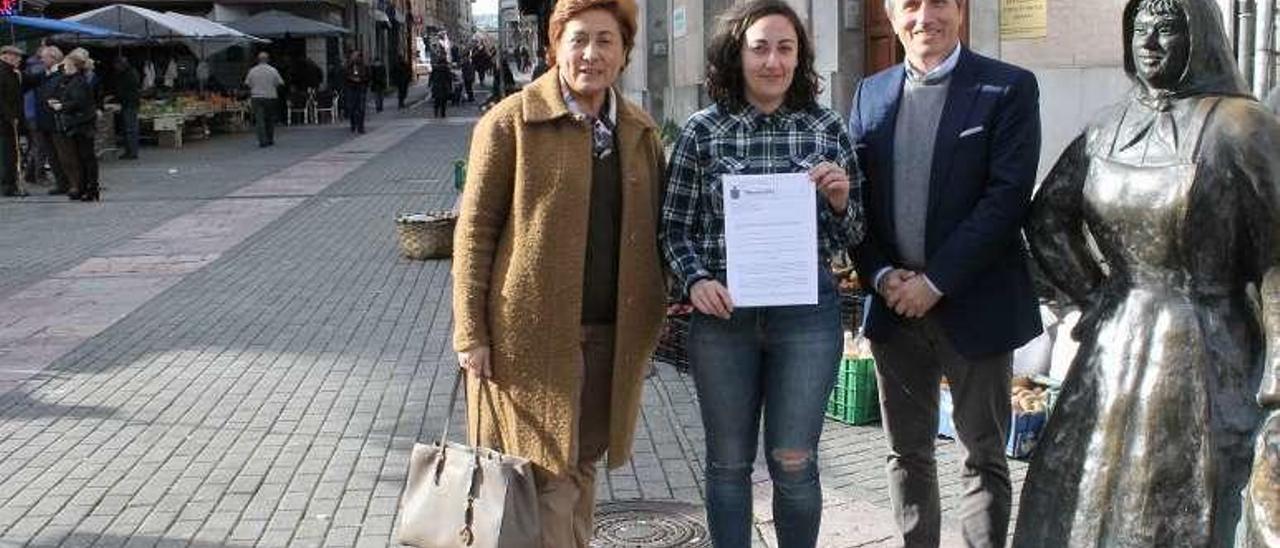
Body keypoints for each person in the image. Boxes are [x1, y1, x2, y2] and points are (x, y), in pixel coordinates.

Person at [1015, 0, 1280, 546]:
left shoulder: (1241, 127)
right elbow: (1047, 218)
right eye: (1139, 28)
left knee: (1188, 493)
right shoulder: (1108, 125)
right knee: (1087, 485)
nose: (1150, 42)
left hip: (1208, 346)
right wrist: (1094, 294)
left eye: (1166, 27)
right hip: (1118, 339)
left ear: (1199, 36)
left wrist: (1278, 370)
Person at [451, 0, 666, 546]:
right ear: (555, 46)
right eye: (578, 39)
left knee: (581, 466)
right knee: (546, 474)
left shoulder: (639, 133)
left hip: (607, 338)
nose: (591, 54)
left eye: (605, 41)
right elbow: (473, 233)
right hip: (527, 341)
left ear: (624, 53)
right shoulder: (510, 123)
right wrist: (470, 333)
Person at [660, 2, 863, 546]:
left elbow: (855, 236)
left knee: (794, 461)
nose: (772, 61)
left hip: (807, 320)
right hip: (723, 320)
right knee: (728, 464)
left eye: (785, 48)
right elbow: (673, 229)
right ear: (737, 54)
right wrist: (697, 281)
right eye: (760, 48)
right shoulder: (703, 133)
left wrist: (842, 200)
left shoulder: (827, 127)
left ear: (800, 58)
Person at [847, 0, 1043, 545]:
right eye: (910, 4)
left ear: (959, 11)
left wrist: (935, 284)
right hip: (894, 309)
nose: (924, 16)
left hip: (975, 304)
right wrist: (883, 275)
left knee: (982, 454)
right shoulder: (870, 94)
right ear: (890, 15)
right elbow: (855, 200)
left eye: (939, 2)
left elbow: (1005, 201)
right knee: (905, 453)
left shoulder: (1008, 88)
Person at [49, 49, 99, 202]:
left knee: (86, 157)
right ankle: (84, 187)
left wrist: (61, 106)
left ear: (74, 65)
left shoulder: (78, 81)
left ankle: (90, 188)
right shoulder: (73, 79)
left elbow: (79, 102)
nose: (64, 66)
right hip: (78, 123)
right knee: (81, 157)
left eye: (67, 64)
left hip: (82, 124)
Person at [30, 46, 70, 195]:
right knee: (52, 155)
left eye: (44, 57)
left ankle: (69, 182)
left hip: (56, 121)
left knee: (63, 154)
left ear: (53, 58)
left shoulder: (62, 74)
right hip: (43, 121)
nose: (41, 60)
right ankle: (61, 183)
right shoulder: (42, 74)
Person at [1, 45, 26, 197]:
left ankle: (11, 183)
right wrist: (11, 116)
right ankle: (8, 186)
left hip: (10, 119)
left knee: (11, 153)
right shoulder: (2, 72)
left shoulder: (11, 72)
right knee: (8, 154)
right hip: (6, 121)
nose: (19, 60)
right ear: (6, 56)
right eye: (16, 56)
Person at [245, 52, 283, 148]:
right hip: (270, 97)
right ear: (268, 59)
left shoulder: (252, 71)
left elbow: (248, 83)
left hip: (257, 97)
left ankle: (262, 140)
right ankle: (270, 138)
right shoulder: (273, 70)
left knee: (259, 119)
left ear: (258, 59)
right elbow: (279, 83)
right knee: (270, 118)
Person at [112, 56, 140, 160]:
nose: (116, 67)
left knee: (130, 129)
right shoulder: (131, 73)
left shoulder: (128, 75)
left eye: (117, 65)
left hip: (129, 104)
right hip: (130, 103)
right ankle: (131, 150)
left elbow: (125, 91)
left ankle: (131, 152)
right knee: (130, 129)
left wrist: (116, 98)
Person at [343, 50, 369, 133]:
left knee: (361, 108)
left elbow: (368, 76)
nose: (355, 58)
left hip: (360, 88)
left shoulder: (364, 66)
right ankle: (353, 124)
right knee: (352, 108)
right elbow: (344, 76)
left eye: (357, 56)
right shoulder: (348, 66)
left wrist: (361, 79)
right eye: (354, 56)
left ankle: (361, 127)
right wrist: (351, 79)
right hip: (351, 88)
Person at [428, 53, 452, 118]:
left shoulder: (435, 68)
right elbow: (449, 78)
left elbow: (431, 77)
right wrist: (450, 87)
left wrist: (429, 84)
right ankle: (443, 113)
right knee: (443, 101)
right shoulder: (446, 69)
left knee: (436, 100)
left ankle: (436, 113)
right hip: (444, 86)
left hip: (436, 86)